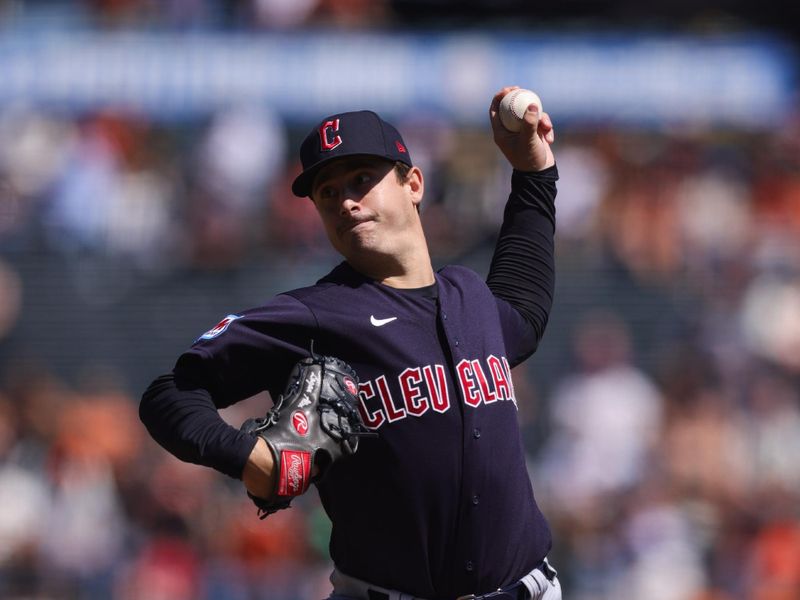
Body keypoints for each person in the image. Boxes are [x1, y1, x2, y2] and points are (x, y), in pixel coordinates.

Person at [140, 86, 561, 600]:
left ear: (413, 184)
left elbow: (524, 308)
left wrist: (535, 172)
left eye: (362, 179)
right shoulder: (316, 312)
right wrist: (251, 457)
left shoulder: (471, 297)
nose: (346, 200)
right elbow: (171, 392)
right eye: (328, 192)